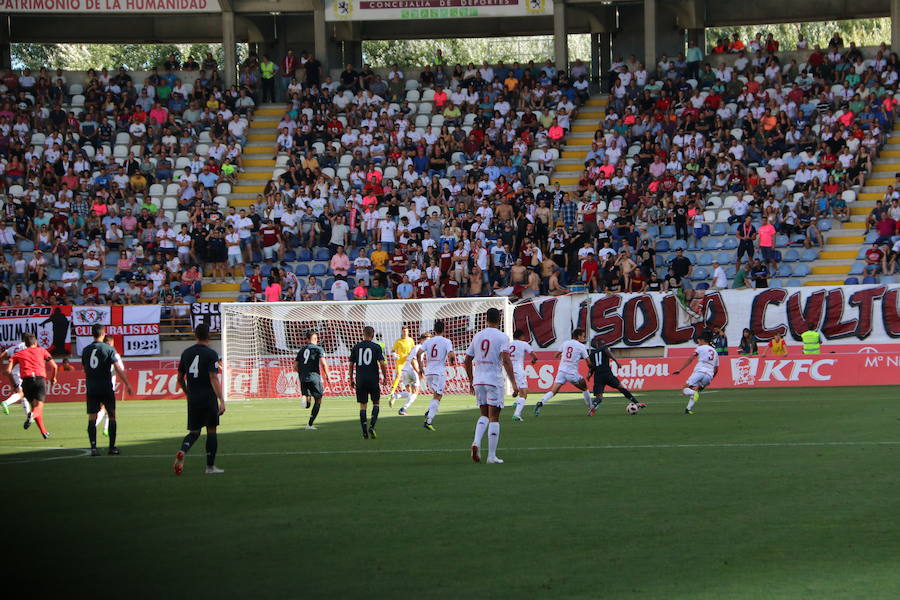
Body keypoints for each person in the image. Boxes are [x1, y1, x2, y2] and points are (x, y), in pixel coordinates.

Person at [464, 307, 518, 464]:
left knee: (483, 415)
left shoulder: (478, 336)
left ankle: (476, 442)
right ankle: (491, 456)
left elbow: (467, 360)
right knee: (494, 417)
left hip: (479, 380)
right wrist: (514, 383)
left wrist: (470, 380)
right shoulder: (502, 337)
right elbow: (506, 360)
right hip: (493, 380)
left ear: (485, 319)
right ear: (499, 320)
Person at [82, 325, 133, 456]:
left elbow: (85, 368)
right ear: (103, 334)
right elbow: (118, 368)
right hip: (105, 386)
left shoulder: (86, 350)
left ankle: (93, 448)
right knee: (112, 416)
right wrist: (127, 384)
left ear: (92, 334)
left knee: (92, 417)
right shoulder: (109, 349)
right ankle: (112, 447)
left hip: (92, 386)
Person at [533, 328, 593, 416]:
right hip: (571, 372)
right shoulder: (581, 346)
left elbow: (556, 355)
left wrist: (565, 356)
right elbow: (588, 361)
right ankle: (590, 408)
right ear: (578, 336)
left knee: (553, 391)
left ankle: (541, 402)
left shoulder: (565, 343)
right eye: (583, 336)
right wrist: (591, 368)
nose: (584, 338)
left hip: (561, 371)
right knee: (584, 387)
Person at [6, 333, 56, 439]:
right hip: (39, 380)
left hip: (27, 382)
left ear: (25, 343)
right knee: (39, 408)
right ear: (36, 342)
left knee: (34, 407)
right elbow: (54, 366)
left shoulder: (19, 353)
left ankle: (44, 431)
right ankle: (31, 416)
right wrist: (53, 378)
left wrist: (14, 384)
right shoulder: (42, 350)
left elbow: (8, 371)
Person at [586, 336, 642, 416]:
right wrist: (616, 361)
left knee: (599, 397)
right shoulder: (604, 348)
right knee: (621, 387)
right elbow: (607, 352)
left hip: (598, 376)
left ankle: (593, 406)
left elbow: (591, 367)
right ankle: (637, 403)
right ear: (602, 344)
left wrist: (589, 374)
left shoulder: (591, 354)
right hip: (607, 374)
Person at [349, 326, 388, 440]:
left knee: (363, 406)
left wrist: (351, 379)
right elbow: (382, 363)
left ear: (363, 334)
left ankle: (364, 432)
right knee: (376, 403)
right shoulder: (376, 347)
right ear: (373, 334)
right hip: (373, 379)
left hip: (360, 379)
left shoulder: (356, 347)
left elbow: (351, 364)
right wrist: (385, 377)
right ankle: (372, 426)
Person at [673, 330, 719, 415]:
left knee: (684, 389)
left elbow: (691, 359)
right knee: (696, 389)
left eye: (698, 340)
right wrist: (710, 379)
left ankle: (694, 393)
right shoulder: (715, 352)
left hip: (700, 371)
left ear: (703, 340)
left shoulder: (700, 348)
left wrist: (680, 369)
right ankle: (688, 409)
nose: (698, 342)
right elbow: (716, 369)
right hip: (709, 375)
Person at [421, 320, 455, 431]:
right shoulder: (446, 341)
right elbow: (451, 354)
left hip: (429, 372)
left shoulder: (428, 342)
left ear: (434, 330)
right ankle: (429, 420)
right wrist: (452, 361)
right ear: (444, 330)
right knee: (438, 396)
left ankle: (429, 411)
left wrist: (421, 368)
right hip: (439, 372)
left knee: (435, 394)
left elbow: (418, 353)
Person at [296, 330, 330, 430]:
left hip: (303, 377)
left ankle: (305, 397)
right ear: (315, 339)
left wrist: (301, 374)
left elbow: (295, 365)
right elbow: (323, 364)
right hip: (314, 377)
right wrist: (328, 375)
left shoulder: (302, 350)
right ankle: (310, 424)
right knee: (318, 400)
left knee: (307, 403)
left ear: (307, 339)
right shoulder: (318, 349)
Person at [507, 328, 536, 422]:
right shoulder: (524, 344)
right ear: (521, 336)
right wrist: (533, 361)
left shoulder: (508, 344)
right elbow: (535, 356)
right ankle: (516, 414)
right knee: (524, 394)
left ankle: (517, 402)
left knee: (522, 391)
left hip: (509, 370)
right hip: (519, 370)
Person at [397, 333, 428, 416]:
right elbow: (413, 361)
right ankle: (404, 408)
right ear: (421, 340)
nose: (428, 342)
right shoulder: (419, 348)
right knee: (415, 392)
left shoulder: (418, 348)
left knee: (409, 392)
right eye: (427, 340)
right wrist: (419, 372)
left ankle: (395, 396)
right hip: (412, 370)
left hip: (405, 370)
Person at [0, 337, 29, 420]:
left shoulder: (14, 347)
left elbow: (1, 355)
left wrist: (2, 367)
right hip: (22, 373)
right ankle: (6, 403)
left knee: (23, 394)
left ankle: (29, 416)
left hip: (15, 373)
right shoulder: (27, 346)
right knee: (21, 393)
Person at [388, 326, 414, 405]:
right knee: (398, 376)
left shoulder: (411, 340)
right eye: (404, 331)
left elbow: (413, 350)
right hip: (400, 362)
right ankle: (391, 393)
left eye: (406, 331)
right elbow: (392, 351)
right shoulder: (398, 341)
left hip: (408, 363)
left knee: (410, 380)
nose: (405, 333)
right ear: (401, 332)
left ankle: (403, 393)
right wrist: (394, 354)